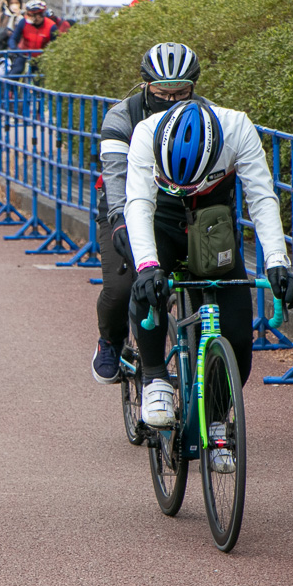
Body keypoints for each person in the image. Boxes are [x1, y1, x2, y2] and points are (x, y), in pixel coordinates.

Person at [125, 95, 293, 437]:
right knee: (146, 291)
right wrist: (147, 266)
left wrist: (278, 261)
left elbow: (261, 196)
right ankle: (156, 376)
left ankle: (216, 418)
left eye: (191, 181)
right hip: (163, 218)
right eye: (177, 182)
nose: (184, 189)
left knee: (237, 338)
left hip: (213, 222)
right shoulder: (146, 132)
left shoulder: (236, 128)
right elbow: (139, 203)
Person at [90, 43, 204, 384]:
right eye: (162, 93)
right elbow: (114, 174)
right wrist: (118, 222)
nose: (170, 102)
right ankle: (110, 341)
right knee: (123, 287)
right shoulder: (121, 115)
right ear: (146, 86)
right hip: (123, 204)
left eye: (180, 94)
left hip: (180, 207)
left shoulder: (205, 113)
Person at [9, 0, 57, 77]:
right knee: (15, 73)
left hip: (41, 58)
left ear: (39, 15)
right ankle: (10, 89)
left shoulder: (51, 27)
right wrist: (15, 49)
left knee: (39, 79)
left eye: (30, 14)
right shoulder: (23, 22)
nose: (28, 17)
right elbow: (13, 38)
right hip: (24, 55)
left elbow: (56, 45)